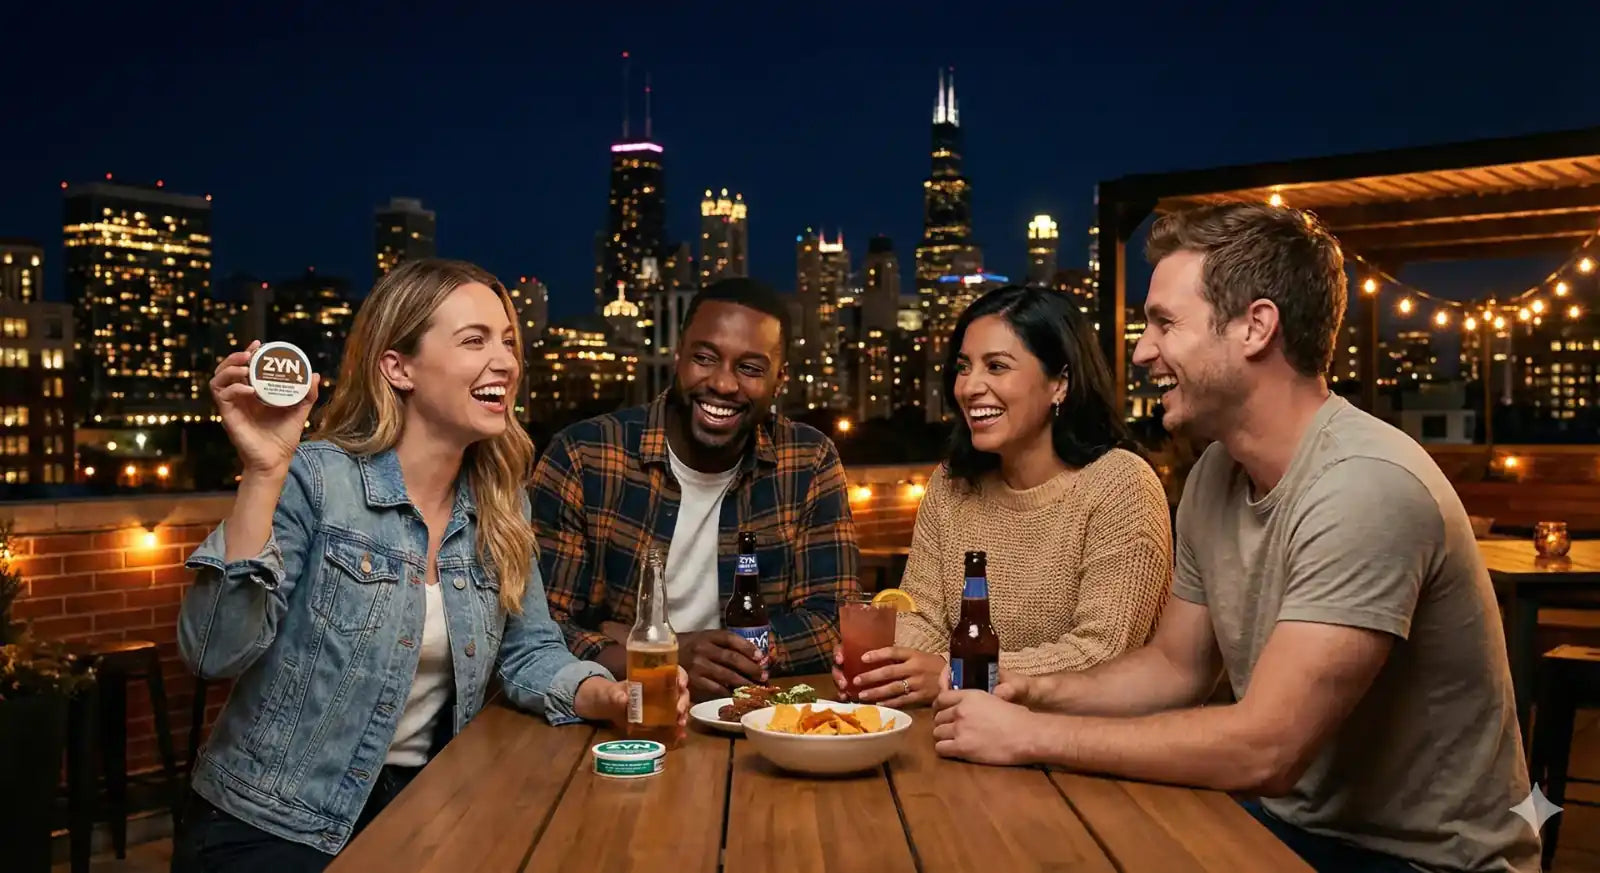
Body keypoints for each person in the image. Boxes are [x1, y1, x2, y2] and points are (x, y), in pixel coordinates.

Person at [930, 204, 1540, 873]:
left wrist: (1031, 735)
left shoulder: (1365, 485)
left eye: (1164, 323)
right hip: (1288, 826)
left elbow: (1264, 750)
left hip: (1420, 861)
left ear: (1256, 326)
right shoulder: (1217, 471)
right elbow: (1174, 670)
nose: (1142, 350)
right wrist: (1023, 687)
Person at [173, 260, 687, 873]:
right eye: (474, 341)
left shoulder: (503, 504)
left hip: (425, 807)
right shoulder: (315, 479)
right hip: (268, 826)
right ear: (399, 368)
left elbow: (529, 651)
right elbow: (213, 653)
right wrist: (262, 473)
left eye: (508, 342)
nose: (505, 362)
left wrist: (609, 695)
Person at [836, 285, 1171, 709]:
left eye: (996, 366)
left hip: (1092, 737)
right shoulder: (951, 485)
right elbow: (920, 616)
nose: (969, 387)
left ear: (1060, 384)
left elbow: (1102, 652)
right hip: (965, 730)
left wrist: (954, 672)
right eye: (963, 367)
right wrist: (886, 663)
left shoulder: (1120, 484)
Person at [533, 277, 859, 701]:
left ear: (780, 381)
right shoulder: (583, 455)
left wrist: (700, 651)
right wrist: (666, 657)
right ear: (678, 358)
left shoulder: (809, 459)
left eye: (750, 368)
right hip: (617, 712)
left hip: (755, 712)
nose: (723, 384)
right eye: (704, 358)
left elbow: (833, 620)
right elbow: (539, 627)